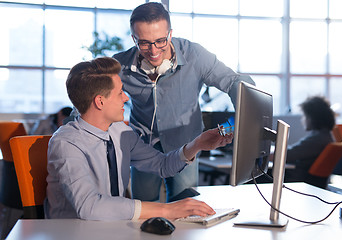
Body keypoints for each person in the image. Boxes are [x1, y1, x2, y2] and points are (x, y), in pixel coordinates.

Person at [44, 57, 233, 221]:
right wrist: (167, 209)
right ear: (100, 101)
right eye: (119, 93)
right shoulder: (66, 143)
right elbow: (89, 206)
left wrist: (197, 144)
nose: (126, 98)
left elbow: (161, 165)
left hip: (112, 228)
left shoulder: (119, 132)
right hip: (71, 232)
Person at [112, 2, 255, 202]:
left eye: (160, 41)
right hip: (143, 149)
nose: (153, 51)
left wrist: (246, 113)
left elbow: (232, 81)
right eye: (144, 43)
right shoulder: (120, 65)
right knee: (143, 211)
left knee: (185, 209)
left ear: (170, 34)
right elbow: (93, 97)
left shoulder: (195, 55)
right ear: (133, 38)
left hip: (187, 145)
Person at [284, 96, 336, 182]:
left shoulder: (317, 139)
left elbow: (285, 155)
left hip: (297, 181)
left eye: (305, 116)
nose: (303, 119)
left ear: (313, 118)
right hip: (306, 180)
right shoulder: (325, 135)